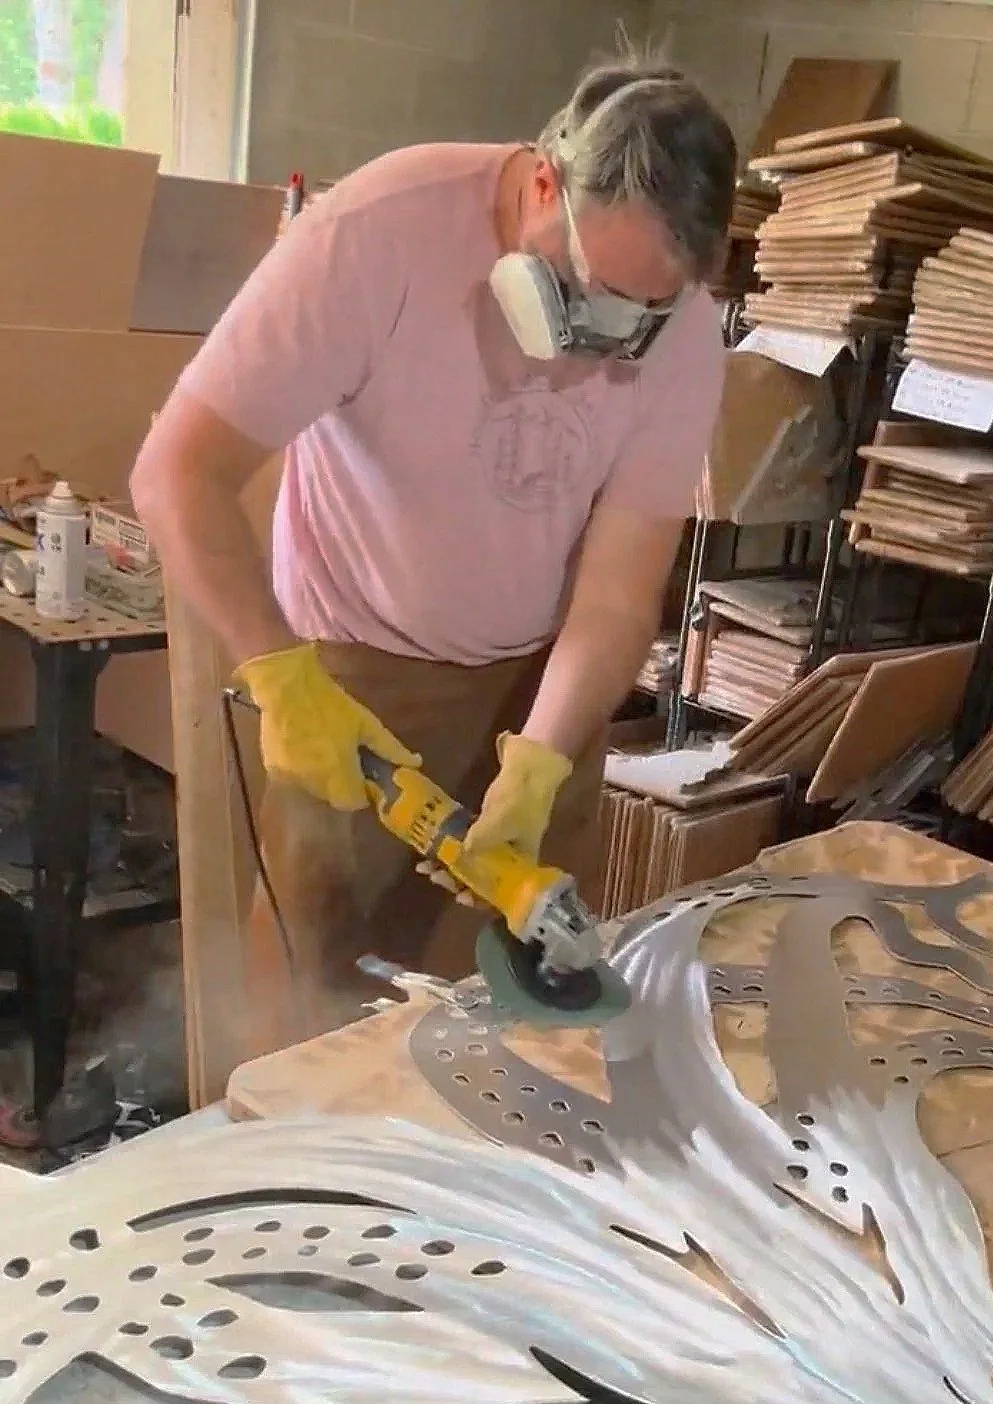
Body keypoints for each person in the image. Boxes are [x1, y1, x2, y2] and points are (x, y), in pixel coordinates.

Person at [132, 54, 736, 1051]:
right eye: (583, 292)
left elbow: (618, 594)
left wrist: (541, 758)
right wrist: (279, 674)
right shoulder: (379, 234)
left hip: (540, 686)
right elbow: (176, 471)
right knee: (307, 998)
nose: (588, 342)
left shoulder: (686, 337)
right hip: (357, 667)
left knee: (508, 1021)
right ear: (543, 182)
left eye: (632, 319)